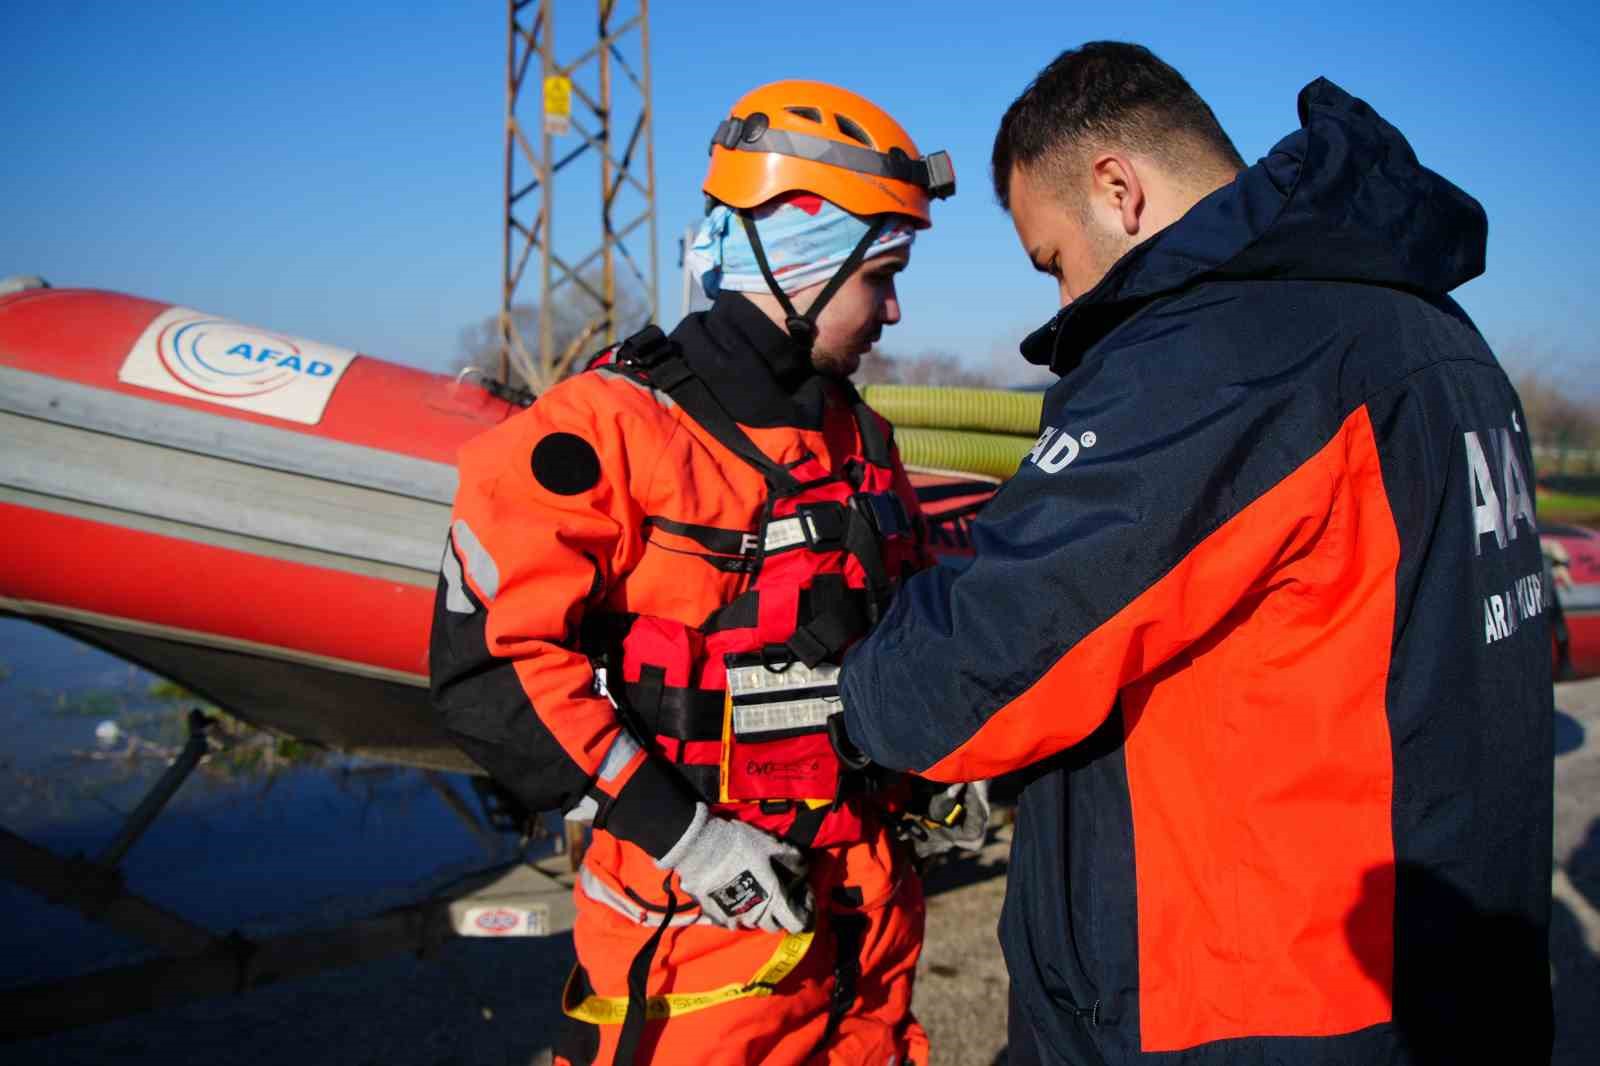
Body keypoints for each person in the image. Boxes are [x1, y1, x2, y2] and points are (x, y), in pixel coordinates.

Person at [840, 42, 1553, 1066]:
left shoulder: (1221, 356)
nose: (1060, 303)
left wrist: (851, 682)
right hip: (1447, 980)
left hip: (1251, 1003)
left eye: (1053, 262)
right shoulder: (1434, 332)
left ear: (1118, 189)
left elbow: (964, 678)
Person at [430, 80, 970, 1065]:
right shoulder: (603, 432)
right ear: (796, 253)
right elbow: (496, 662)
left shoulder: (862, 438)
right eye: (879, 273)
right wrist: (686, 837)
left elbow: (909, 620)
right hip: (692, 932)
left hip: (868, 913)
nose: (893, 307)